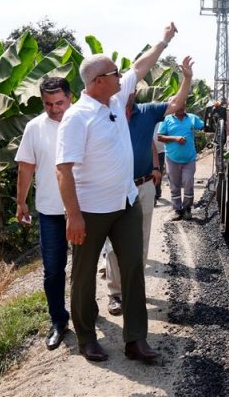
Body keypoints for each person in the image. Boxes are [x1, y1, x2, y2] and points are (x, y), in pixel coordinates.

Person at [56, 22, 178, 362]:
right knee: (83, 275)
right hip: (91, 211)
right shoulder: (77, 118)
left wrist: (164, 41)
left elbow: (141, 66)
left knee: (133, 268)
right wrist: (74, 215)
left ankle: (135, 339)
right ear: (98, 82)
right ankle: (86, 337)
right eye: (115, 72)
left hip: (126, 203)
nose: (122, 75)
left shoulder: (115, 97)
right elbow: (63, 170)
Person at [104, 56, 194, 317]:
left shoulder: (146, 112)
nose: (125, 89)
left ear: (134, 89)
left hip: (142, 186)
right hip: (114, 187)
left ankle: (134, 287)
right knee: (113, 244)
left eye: (128, 85)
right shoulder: (106, 114)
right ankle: (116, 293)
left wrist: (187, 78)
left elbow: (176, 102)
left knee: (141, 240)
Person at [15, 77, 73, 351]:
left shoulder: (82, 120)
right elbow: (26, 167)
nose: (54, 109)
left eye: (59, 102)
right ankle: (59, 321)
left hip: (85, 209)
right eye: (48, 104)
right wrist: (21, 202)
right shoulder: (34, 127)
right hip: (50, 210)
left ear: (70, 97)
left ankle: (87, 312)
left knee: (84, 268)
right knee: (52, 271)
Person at [157, 106, 204, 220]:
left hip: (189, 158)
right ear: (174, 106)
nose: (181, 106)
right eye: (179, 104)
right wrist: (175, 138)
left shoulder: (192, 118)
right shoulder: (166, 120)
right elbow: (159, 137)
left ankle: (187, 208)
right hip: (172, 158)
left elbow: (205, 126)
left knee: (188, 181)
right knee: (175, 185)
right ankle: (177, 210)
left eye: (183, 103)